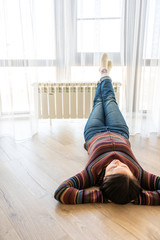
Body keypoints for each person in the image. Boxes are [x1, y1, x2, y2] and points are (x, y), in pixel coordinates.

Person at [54, 53, 160, 205]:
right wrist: (135, 196)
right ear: (133, 176)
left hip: (94, 132)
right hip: (119, 131)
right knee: (110, 99)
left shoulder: (91, 174)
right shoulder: (139, 174)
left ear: (103, 182)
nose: (117, 162)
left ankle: (103, 72)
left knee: (98, 102)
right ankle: (104, 73)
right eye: (124, 167)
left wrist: (101, 197)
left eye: (113, 169)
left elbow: (61, 192)